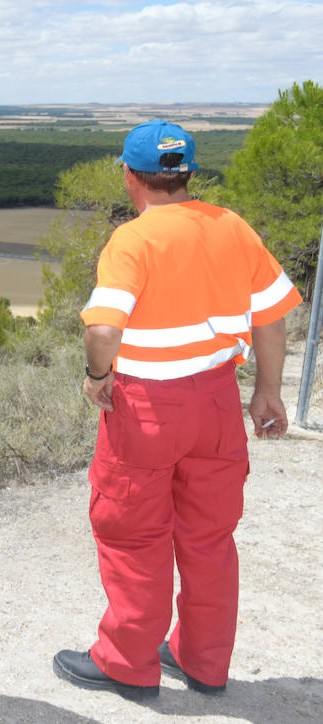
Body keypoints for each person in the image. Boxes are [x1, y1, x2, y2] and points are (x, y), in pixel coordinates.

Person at [53, 119, 302, 702]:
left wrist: (97, 376)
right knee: (210, 538)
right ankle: (203, 662)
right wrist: (267, 391)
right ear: (187, 171)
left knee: (133, 535)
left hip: (146, 408)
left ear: (127, 175)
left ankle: (127, 664)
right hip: (216, 401)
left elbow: (106, 326)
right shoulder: (232, 227)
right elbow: (270, 315)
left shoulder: (133, 240)